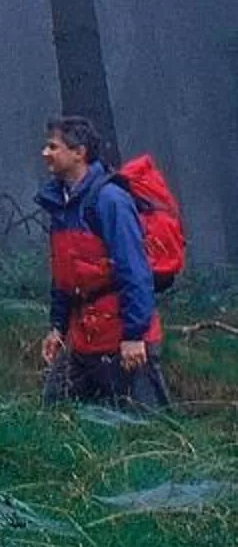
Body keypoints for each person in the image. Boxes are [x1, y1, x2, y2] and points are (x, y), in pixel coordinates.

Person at [36, 116, 170, 412]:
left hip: (124, 338)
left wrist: (134, 336)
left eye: (53, 147)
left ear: (79, 152)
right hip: (82, 338)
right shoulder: (60, 204)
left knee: (145, 426)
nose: (45, 153)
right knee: (55, 416)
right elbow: (64, 274)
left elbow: (135, 271)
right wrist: (57, 328)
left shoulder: (111, 200)